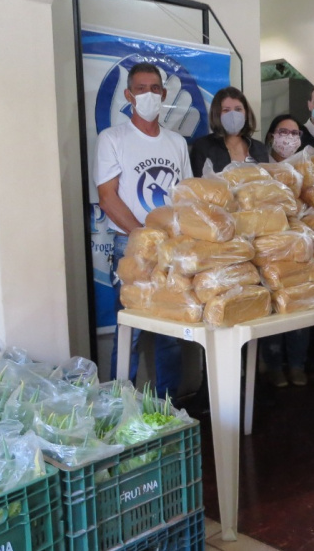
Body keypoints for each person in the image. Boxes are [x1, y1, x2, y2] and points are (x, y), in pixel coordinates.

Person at [96, 62, 192, 399]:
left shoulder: (177, 142)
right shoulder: (113, 139)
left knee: (171, 330)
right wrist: (144, 236)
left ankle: (170, 406)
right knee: (130, 332)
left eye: (155, 88)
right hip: (130, 245)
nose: (149, 95)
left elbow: (185, 196)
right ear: (128, 95)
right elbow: (107, 197)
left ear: (164, 95)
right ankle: (118, 406)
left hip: (172, 246)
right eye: (140, 88)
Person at [259, 113, 312, 387]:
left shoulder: (306, 167)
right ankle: (273, 365)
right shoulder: (260, 166)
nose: (288, 138)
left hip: (299, 248)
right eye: (283, 132)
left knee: (297, 304)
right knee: (273, 305)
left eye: (294, 133)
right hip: (269, 248)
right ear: (271, 135)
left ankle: (297, 364)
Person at [189, 86, 268, 174]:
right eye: (226, 110)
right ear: (217, 115)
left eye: (238, 109)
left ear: (246, 113)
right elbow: (199, 184)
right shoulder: (203, 147)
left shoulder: (259, 148)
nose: (233, 115)